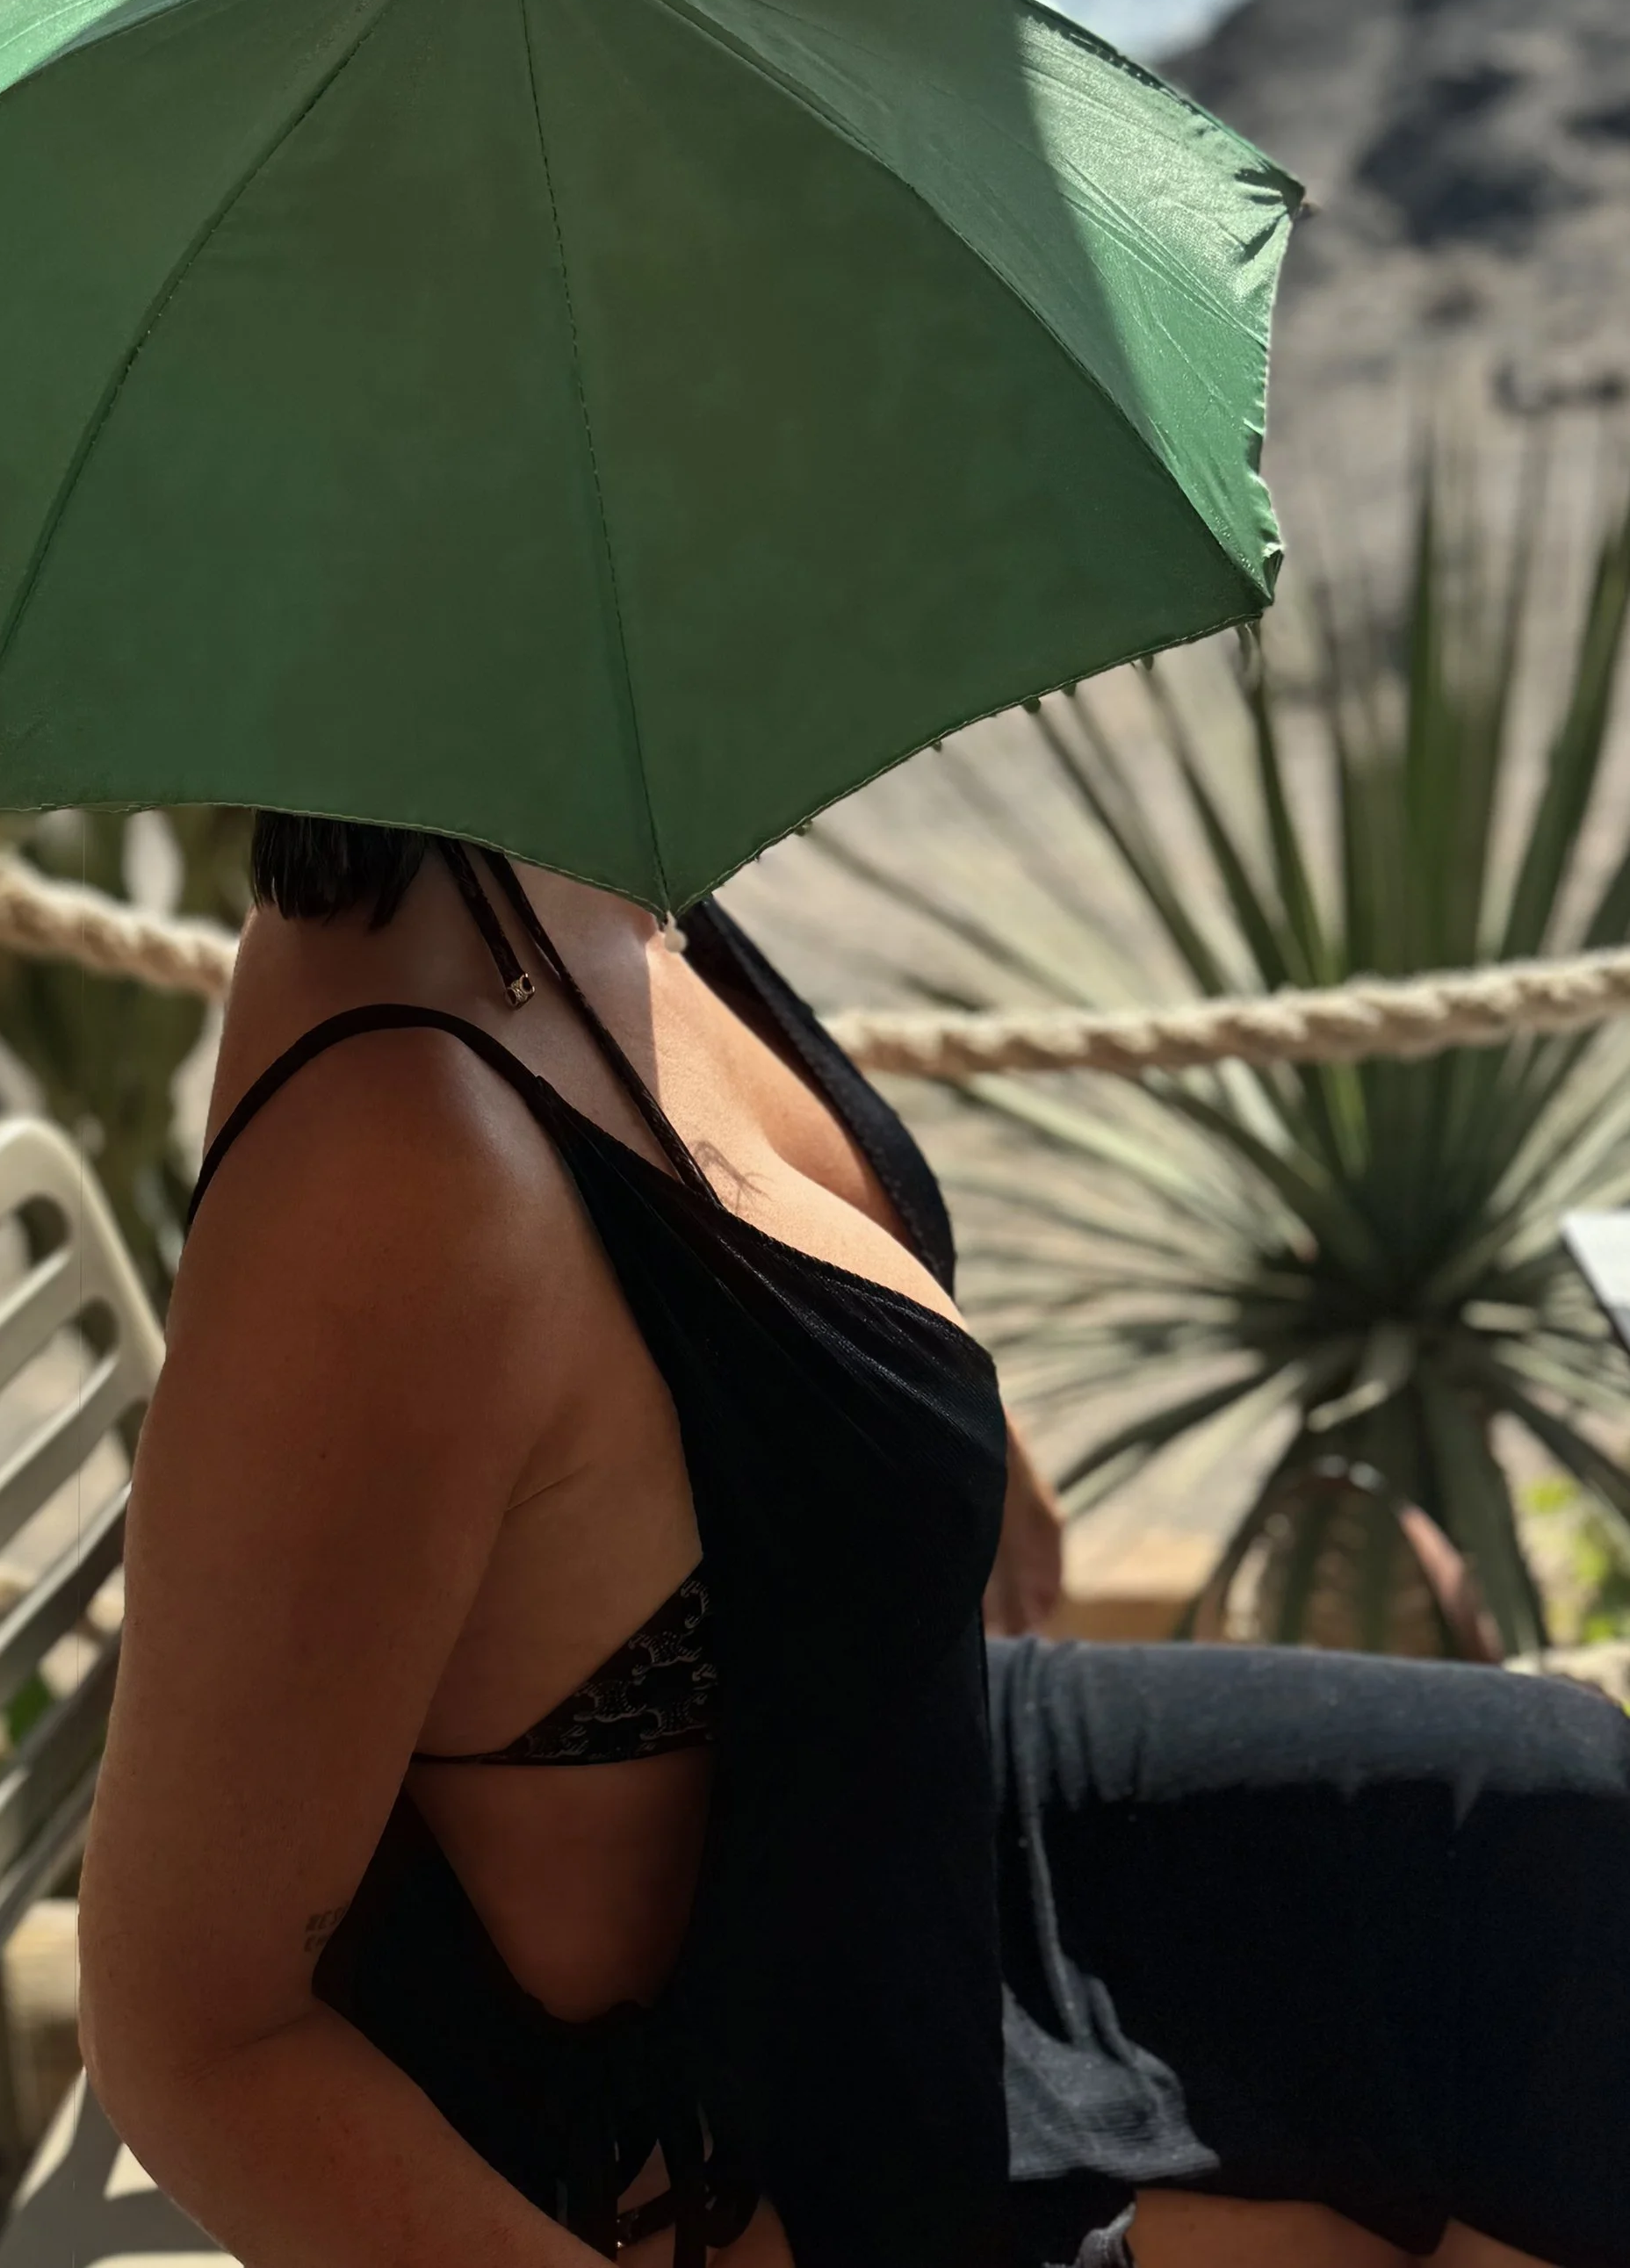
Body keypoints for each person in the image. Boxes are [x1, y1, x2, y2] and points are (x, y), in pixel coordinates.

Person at [80, 830, 1630, 2268]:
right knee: (1498, 2136)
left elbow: (707, 1279)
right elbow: (199, 2039)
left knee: (1566, 1823)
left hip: (905, 1795)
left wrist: (932, 1408)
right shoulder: (392, 1163)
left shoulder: (571, 874)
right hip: (765, 2104)